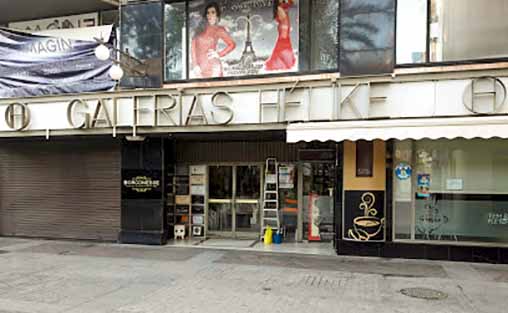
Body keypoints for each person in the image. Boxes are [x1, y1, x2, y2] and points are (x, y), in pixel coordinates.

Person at [191, 2, 236, 78]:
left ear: (217, 15)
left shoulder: (219, 30)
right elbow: (193, 48)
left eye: (213, 12)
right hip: (200, 68)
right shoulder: (199, 29)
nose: (210, 15)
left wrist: (219, 54)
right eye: (208, 13)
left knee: (215, 89)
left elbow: (232, 44)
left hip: (213, 68)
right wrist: (195, 65)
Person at [265, 0, 296, 71]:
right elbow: (284, 19)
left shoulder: (282, 6)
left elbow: (290, 3)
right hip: (284, 30)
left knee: (283, 46)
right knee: (283, 45)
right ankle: (282, 64)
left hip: (284, 30)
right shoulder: (280, 8)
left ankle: (283, 63)